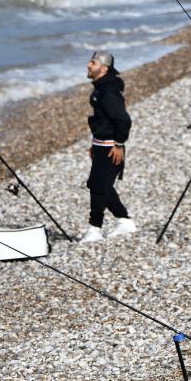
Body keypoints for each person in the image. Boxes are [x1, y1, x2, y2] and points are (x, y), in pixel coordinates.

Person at [81, 50, 137, 242]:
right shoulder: (101, 88)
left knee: (98, 186)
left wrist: (119, 144)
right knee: (100, 184)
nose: (88, 65)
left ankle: (94, 229)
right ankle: (124, 221)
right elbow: (103, 120)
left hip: (110, 147)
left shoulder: (108, 90)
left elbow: (123, 119)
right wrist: (94, 144)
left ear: (104, 68)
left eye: (93, 63)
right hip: (100, 145)